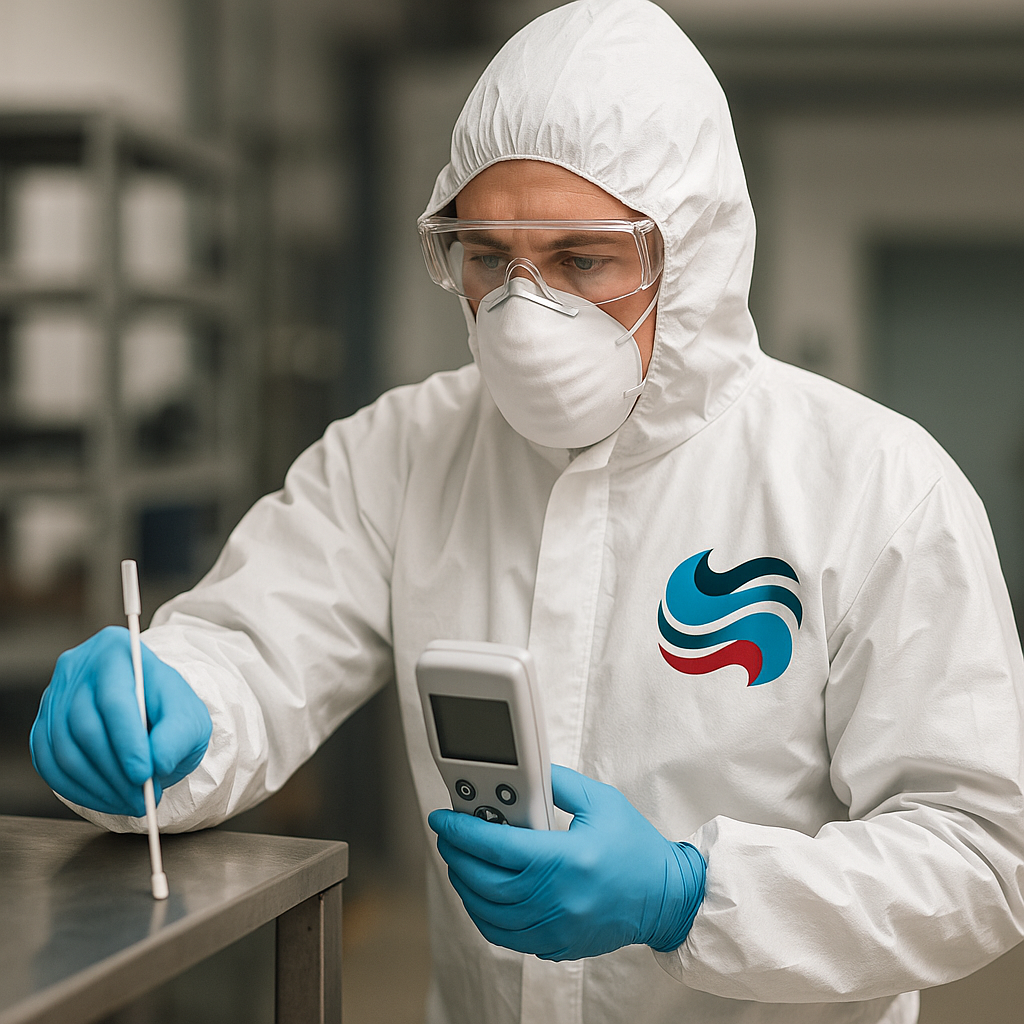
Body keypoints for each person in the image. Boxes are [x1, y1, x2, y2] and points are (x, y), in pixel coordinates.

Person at [29, 2, 1024, 1022]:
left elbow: (983, 857)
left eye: (581, 260)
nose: (522, 308)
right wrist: (163, 713)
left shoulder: (873, 485)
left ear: (691, 255)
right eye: (485, 255)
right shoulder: (403, 451)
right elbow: (254, 654)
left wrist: (689, 896)